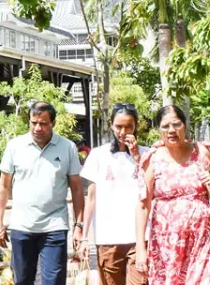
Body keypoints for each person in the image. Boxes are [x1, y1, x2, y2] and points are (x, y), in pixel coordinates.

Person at [0, 101, 84, 285]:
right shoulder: (15, 146)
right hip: (22, 226)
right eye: (33, 122)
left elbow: (76, 188)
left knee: (54, 281)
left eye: (43, 123)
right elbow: (3, 186)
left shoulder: (67, 147)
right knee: (22, 280)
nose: (37, 128)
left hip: (55, 226)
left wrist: (79, 226)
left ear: (53, 123)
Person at [136, 105, 210, 285]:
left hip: (203, 241)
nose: (171, 130)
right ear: (159, 130)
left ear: (185, 126)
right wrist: (140, 247)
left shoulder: (202, 152)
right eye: (165, 126)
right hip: (166, 245)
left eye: (176, 124)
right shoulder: (153, 159)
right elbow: (143, 205)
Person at [80, 104, 148, 285]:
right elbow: (91, 198)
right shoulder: (97, 155)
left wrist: (136, 157)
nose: (123, 132)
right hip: (108, 237)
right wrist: (84, 237)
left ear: (136, 126)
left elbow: (149, 191)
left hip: (140, 238)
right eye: (119, 126)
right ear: (111, 125)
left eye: (129, 126)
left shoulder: (147, 154)